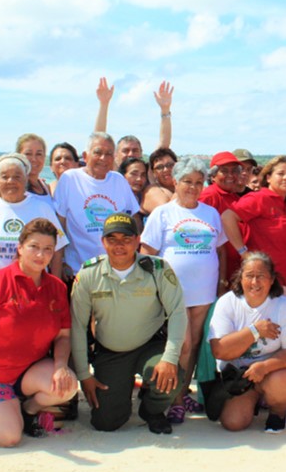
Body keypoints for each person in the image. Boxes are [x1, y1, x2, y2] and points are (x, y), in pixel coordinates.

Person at [0, 218, 77, 445]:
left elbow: (63, 336)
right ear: (20, 248)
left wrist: (61, 366)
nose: (40, 255)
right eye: (34, 246)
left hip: (26, 372)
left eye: (47, 249)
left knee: (67, 387)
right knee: (9, 437)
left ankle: (28, 409)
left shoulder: (57, 287)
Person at [70, 213, 187, 434]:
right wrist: (84, 375)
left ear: (136, 240)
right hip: (111, 351)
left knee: (172, 374)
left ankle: (152, 410)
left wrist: (170, 358)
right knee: (106, 423)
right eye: (112, 239)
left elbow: (178, 313)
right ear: (103, 242)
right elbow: (77, 325)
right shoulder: (88, 274)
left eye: (126, 239)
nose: (119, 245)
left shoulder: (158, 269)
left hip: (150, 345)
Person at [141, 156, 227, 423]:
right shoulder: (162, 213)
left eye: (198, 182)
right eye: (187, 181)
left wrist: (222, 282)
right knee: (183, 345)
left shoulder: (210, 213)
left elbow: (221, 250)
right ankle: (176, 400)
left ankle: (181, 392)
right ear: (175, 182)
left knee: (196, 344)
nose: (193, 187)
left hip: (204, 293)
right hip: (173, 295)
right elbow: (147, 255)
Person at [207, 252, 286, 433]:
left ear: (272, 279)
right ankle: (254, 399)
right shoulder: (227, 303)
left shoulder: (284, 305)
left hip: (271, 373)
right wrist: (255, 331)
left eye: (261, 276)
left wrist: (264, 367)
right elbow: (219, 351)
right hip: (239, 376)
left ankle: (278, 414)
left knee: (281, 381)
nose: (254, 282)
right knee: (233, 423)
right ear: (240, 278)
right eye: (249, 276)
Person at [0, 153, 68, 284]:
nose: (10, 181)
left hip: (33, 291)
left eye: (17, 177)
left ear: (25, 180)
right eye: (4, 177)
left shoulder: (43, 208)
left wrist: (55, 288)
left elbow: (58, 252)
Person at [54, 132, 139, 281]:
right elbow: (59, 224)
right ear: (85, 156)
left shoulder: (118, 180)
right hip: (78, 271)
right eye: (98, 152)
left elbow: (134, 219)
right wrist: (59, 263)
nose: (103, 158)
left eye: (108, 154)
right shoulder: (70, 179)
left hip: (116, 271)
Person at [222, 155, 286, 307]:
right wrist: (243, 252)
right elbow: (227, 217)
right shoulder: (260, 198)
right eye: (281, 173)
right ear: (268, 177)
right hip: (263, 283)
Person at [91, 77, 173, 169]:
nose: (130, 154)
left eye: (135, 150)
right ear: (115, 155)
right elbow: (98, 139)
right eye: (125, 151)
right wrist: (104, 104)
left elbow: (164, 143)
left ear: (141, 154)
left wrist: (165, 109)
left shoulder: (146, 173)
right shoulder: (111, 171)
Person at [199, 151, 246, 284]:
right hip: (218, 271)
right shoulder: (209, 196)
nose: (230, 175)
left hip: (234, 268)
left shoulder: (234, 196)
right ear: (213, 176)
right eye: (224, 171)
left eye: (235, 171)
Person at [140, 148, 178, 216]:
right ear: (153, 173)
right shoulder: (152, 191)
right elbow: (169, 214)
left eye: (170, 165)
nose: (166, 170)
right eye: (159, 167)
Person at [15, 133, 51, 200]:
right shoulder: (14, 187)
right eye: (28, 154)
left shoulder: (46, 187)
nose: (34, 159)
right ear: (18, 156)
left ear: (44, 157)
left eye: (39, 154)